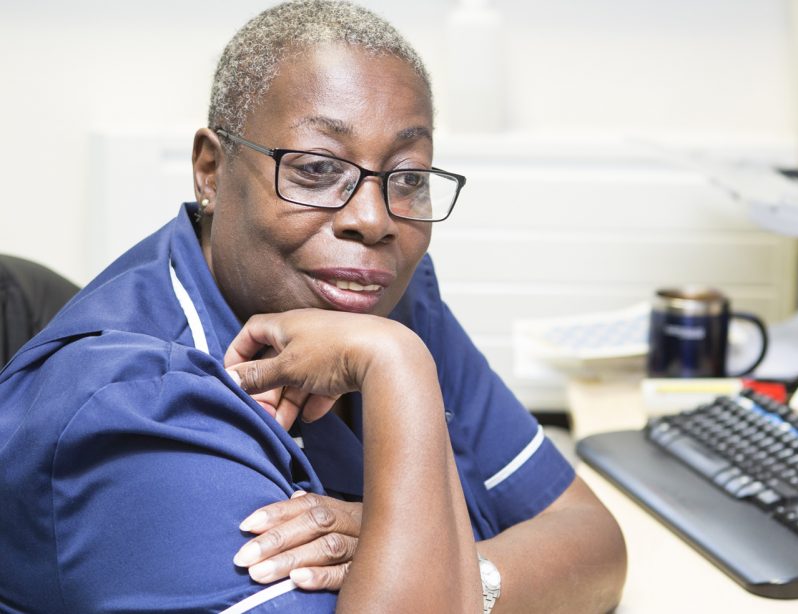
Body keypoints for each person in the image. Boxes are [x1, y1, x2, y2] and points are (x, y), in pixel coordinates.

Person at [0, 1, 627, 612]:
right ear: (211, 171)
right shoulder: (135, 413)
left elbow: (594, 542)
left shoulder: (379, 297)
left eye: (407, 176)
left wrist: (430, 560)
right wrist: (398, 366)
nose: (373, 219)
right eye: (316, 168)